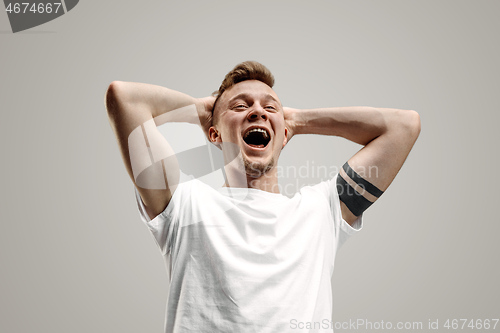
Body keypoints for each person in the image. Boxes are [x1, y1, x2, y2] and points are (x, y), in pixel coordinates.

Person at [105, 61, 420, 332]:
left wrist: (296, 120)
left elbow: (403, 126)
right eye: (241, 106)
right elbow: (125, 98)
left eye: (270, 107)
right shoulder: (183, 203)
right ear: (213, 134)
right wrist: (205, 110)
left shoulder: (322, 210)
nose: (257, 111)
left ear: (285, 135)